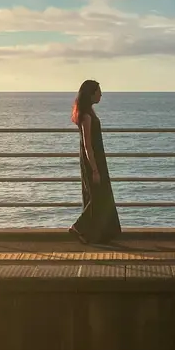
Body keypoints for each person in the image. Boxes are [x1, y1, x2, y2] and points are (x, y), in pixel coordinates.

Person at [68, 79, 121, 244]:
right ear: (91, 94)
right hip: (93, 160)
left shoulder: (89, 112)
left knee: (100, 196)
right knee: (98, 197)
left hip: (97, 159)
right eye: (98, 92)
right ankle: (78, 227)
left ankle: (93, 234)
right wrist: (95, 169)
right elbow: (87, 144)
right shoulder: (86, 116)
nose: (101, 94)